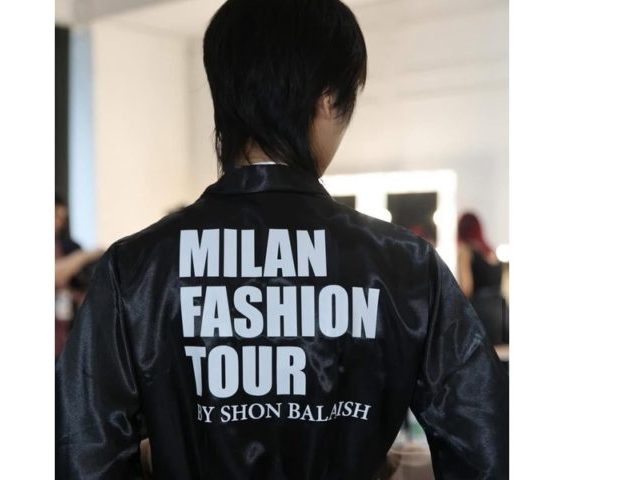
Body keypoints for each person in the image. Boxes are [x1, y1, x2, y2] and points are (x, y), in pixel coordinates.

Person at [56, 1, 509, 478]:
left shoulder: (136, 269)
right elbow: (486, 447)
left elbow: (82, 454)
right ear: (329, 98)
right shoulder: (406, 266)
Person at [55, 194, 103, 357]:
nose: (60, 222)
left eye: (63, 217)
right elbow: (56, 274)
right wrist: (86, 256)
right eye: (56, 216)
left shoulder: (70, 246)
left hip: (68, 341)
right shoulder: (79, 254)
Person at [457, 212, 509, 346]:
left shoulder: (465, 250)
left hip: (481, 314)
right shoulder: (491, 251)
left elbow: (466, 288)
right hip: (502, 312)